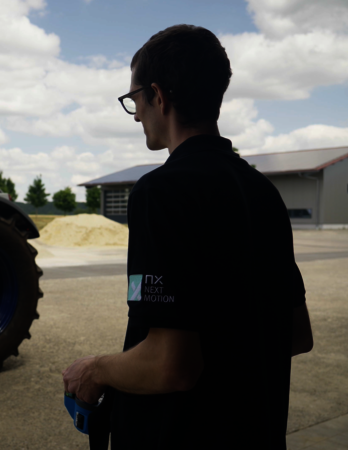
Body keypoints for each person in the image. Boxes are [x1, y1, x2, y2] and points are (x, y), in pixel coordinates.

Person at [62, 24, 314, 449]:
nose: (137, 113)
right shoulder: (262, 192)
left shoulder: (161, 192)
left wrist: (97, 370)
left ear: (158, 96)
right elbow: (295, 334)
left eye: (135, 99)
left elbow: (171, 366)